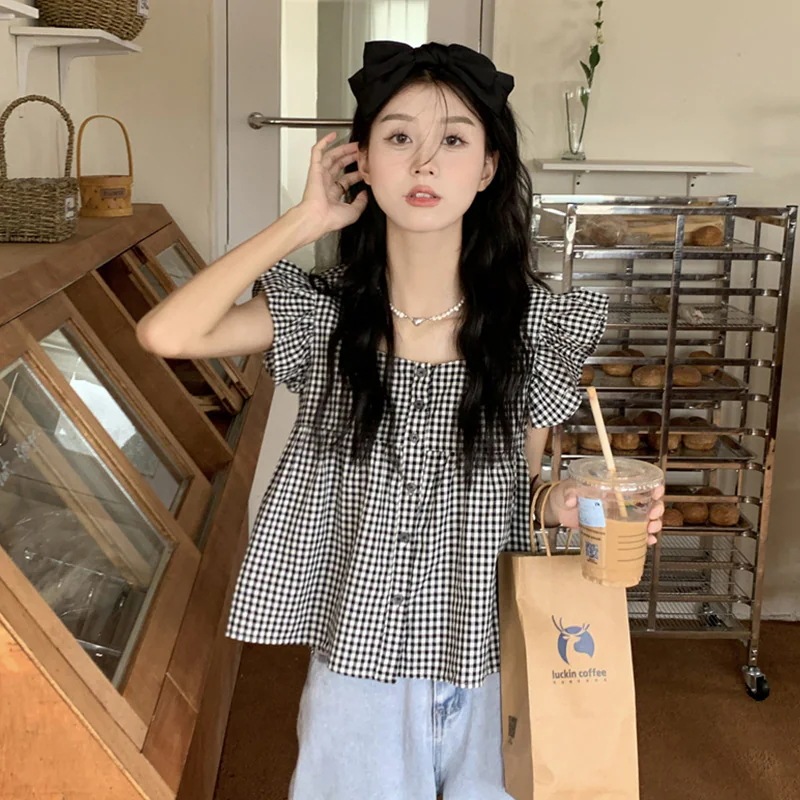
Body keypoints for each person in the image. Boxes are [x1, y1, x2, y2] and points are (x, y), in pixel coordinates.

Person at [136, 40, 664, 800]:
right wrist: (304, 219)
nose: (424, 163)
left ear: (487, 168)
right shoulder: (323, 314)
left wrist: (575, 505)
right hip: (360, 662)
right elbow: (166, 334)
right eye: (398, 137)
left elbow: (526, 487)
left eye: (453, 140)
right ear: (362, 161)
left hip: (492, 653)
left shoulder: (532, 328)